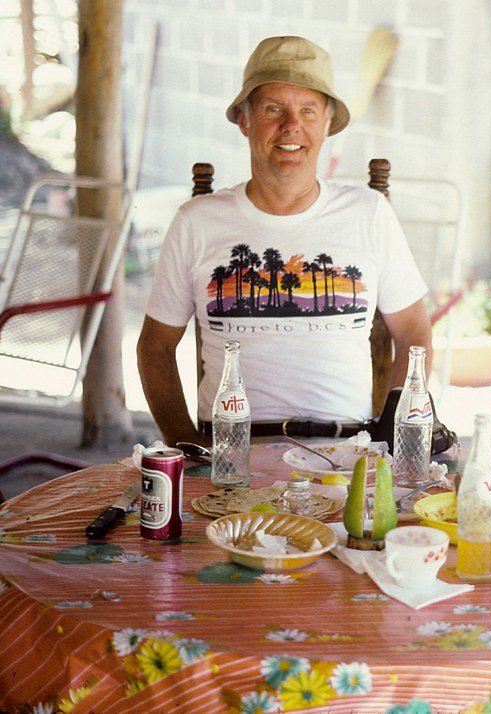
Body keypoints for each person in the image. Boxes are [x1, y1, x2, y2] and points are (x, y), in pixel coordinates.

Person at [137, 36, 432, 446]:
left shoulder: (369, 213)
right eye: (273, 109)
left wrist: (394, 427)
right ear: (245, 120)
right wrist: (185, 441)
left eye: (308, 110)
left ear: (327, 123)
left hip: (345, 451)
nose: (291, 125)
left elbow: (415, 333)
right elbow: (155, 347)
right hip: (230, 451)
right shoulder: (197, 221)